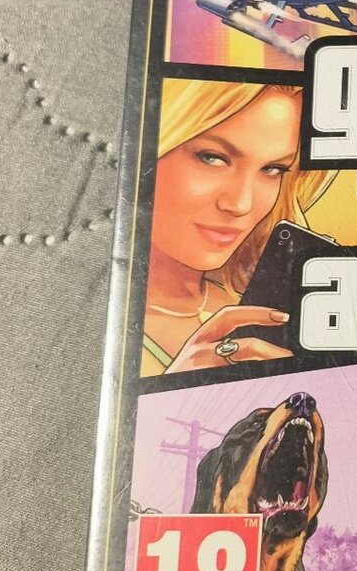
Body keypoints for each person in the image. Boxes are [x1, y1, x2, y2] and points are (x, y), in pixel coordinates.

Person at [141, 78, 335, 376]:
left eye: (272, 169)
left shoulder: (266, 309)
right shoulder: (96, 314)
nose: (241, 204)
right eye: (212, 158)